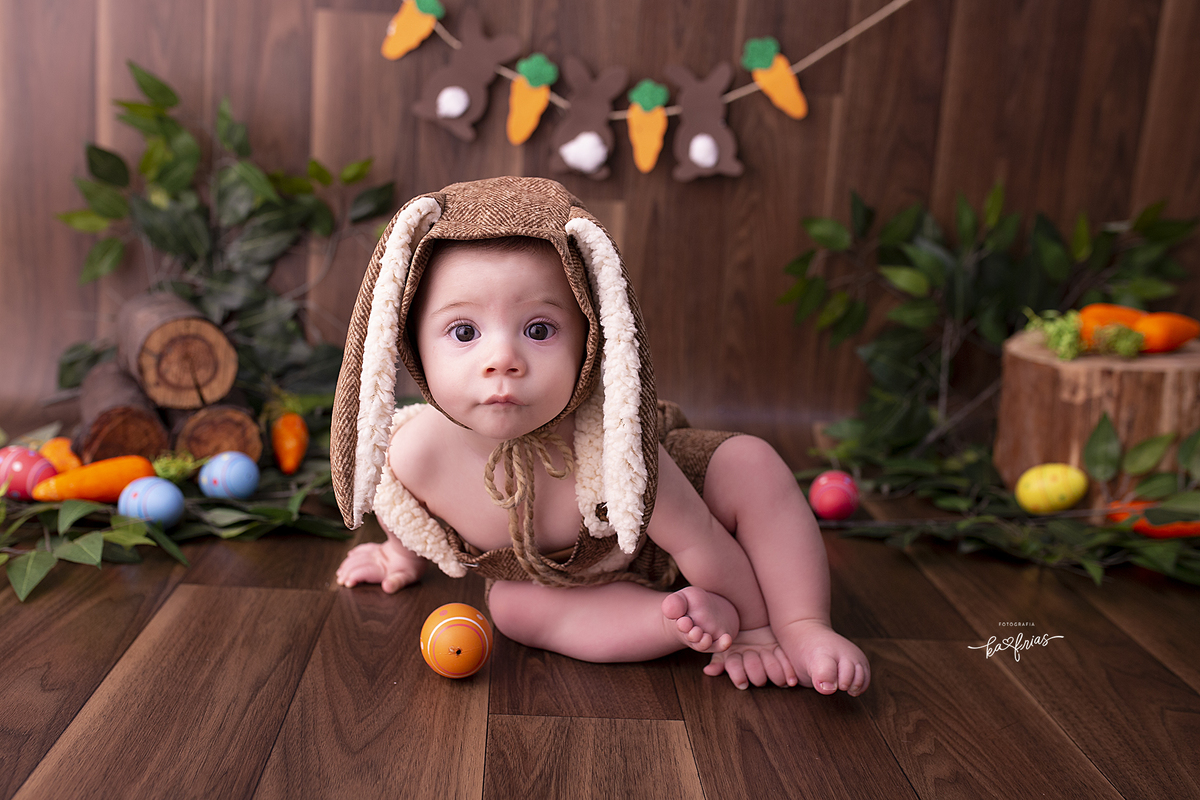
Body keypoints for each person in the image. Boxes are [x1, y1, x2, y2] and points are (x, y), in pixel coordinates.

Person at [330, 177, 869, 695]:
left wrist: (756, 631)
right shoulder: (412, 452)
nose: (502, 361)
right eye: (464, 332)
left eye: (539, 330)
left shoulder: (617, 448)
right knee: (514, 610)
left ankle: (802, 622)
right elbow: (404, 511)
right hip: (572, 585)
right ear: (408, 343)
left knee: (749, 464)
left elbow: (696, 537)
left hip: (677, 544)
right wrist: (396, 556)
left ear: (592, 338)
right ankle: (671, 623)